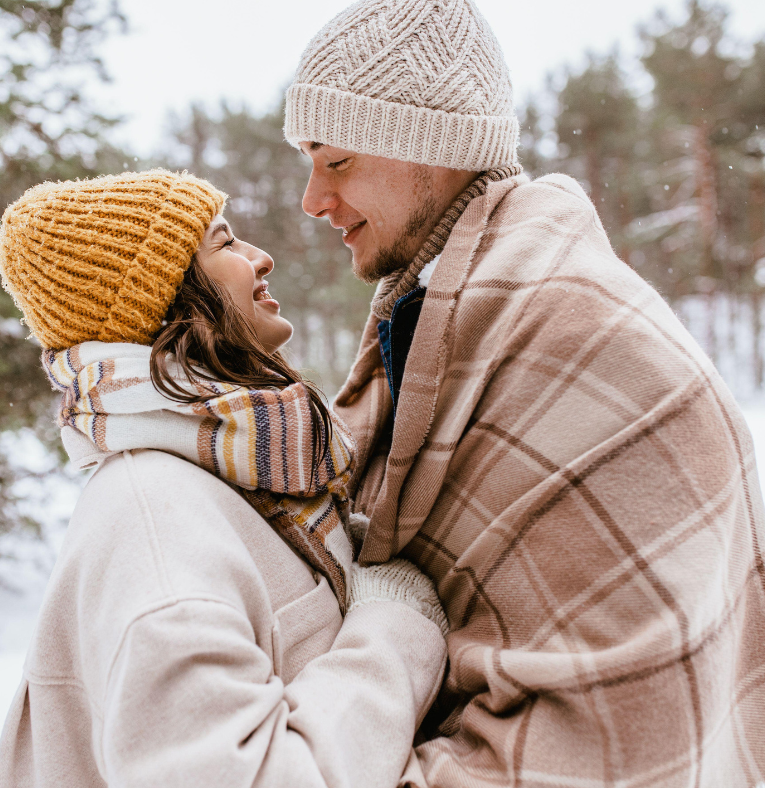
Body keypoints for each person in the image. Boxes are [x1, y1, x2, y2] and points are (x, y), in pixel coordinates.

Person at [284, 0, 765, 786]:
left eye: (335, 162)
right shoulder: (435, 320)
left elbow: (627, 716)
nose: (312, 200)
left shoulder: (584, 341)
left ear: (428, 153)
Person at [0, 169, 451, 788]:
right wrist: (394, 632)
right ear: (163, 298)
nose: (260, 258)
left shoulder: (247, 475)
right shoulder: (156, 525)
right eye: (226, 244)